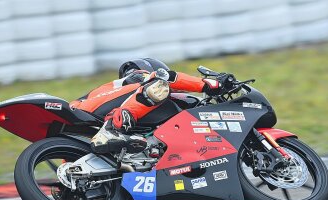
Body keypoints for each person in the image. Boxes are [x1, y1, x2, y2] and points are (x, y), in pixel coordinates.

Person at [69, 58, 225, 154]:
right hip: (88, 113)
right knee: (159, 85)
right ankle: (112, 128)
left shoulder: (115, 90)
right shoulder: (138, 76)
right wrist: (208, 84)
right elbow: (164, 78)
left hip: (82, 122)